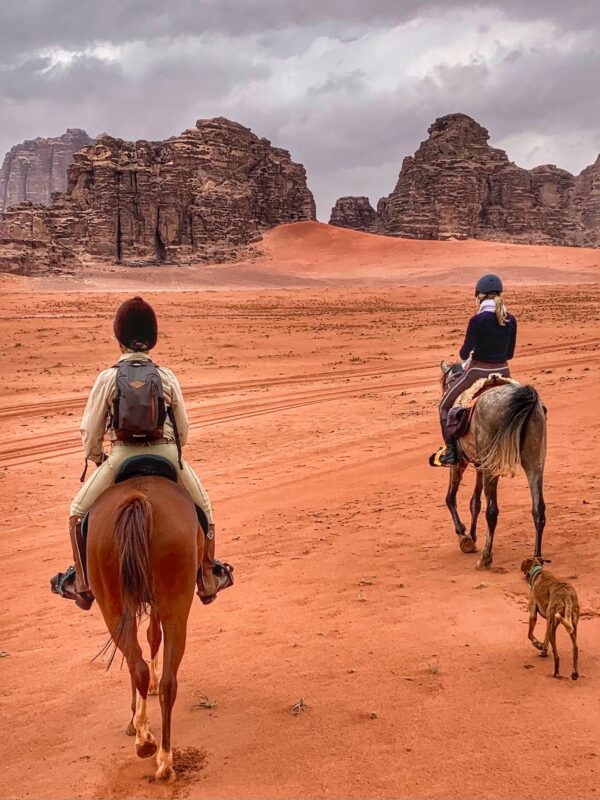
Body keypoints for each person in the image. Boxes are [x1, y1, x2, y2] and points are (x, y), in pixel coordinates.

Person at [50, 296, 233, 610]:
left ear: (119, 338)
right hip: (165, 455)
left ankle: (82, 583)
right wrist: (172, 452)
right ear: (152, 339)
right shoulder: (167, 377)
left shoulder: (107, 378)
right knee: (205, 509)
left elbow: (90, 431)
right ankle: (207, 577)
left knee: (76, 511)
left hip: (121, 457)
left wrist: (98, 458)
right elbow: (184, 431)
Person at [438, 274, 517, 466]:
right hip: (505, 372)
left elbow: (464, 354)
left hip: (476, 372)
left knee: (444, 407)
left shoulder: (477, 320)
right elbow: (510, 354)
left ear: (479, 296)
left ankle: (451, 452)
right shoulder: (511, 320)